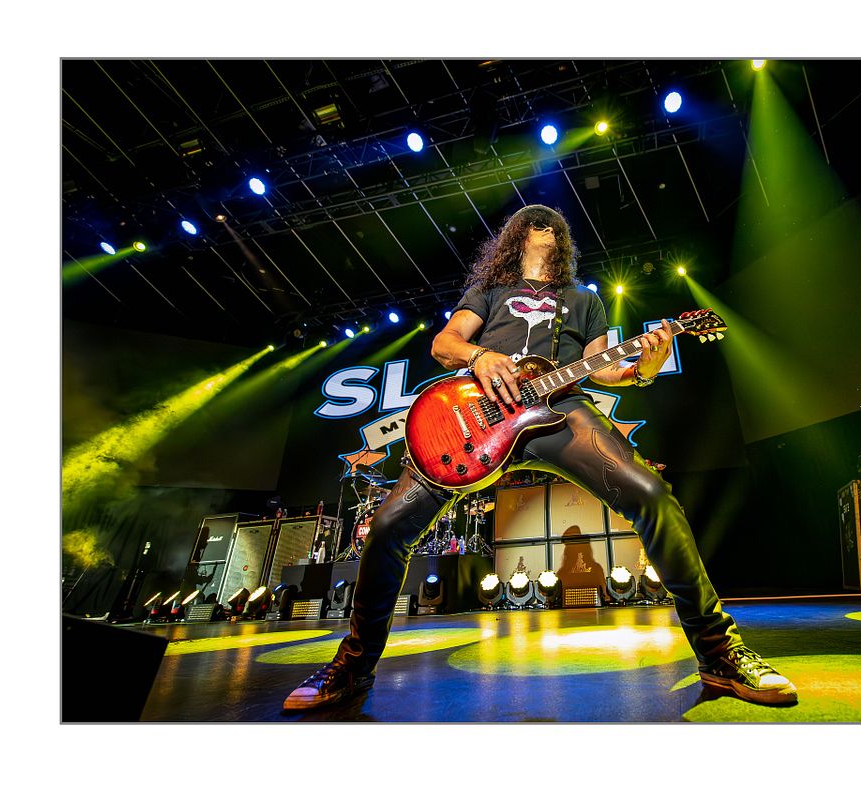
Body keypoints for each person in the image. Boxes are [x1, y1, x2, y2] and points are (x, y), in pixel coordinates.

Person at [283, 204, 797, 711]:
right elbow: (444, 344)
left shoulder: (582, 298)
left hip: (560, 411)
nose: (544, 224)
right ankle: (351, 667)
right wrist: (480, 356)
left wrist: (646, 366)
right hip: (479, 419)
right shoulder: (488, 292)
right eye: (533, 221)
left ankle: (719, 654)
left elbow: (603, 369)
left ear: (564, 242)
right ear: (516, 237)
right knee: (389, 524)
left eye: (553, 222)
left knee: (652, 496)